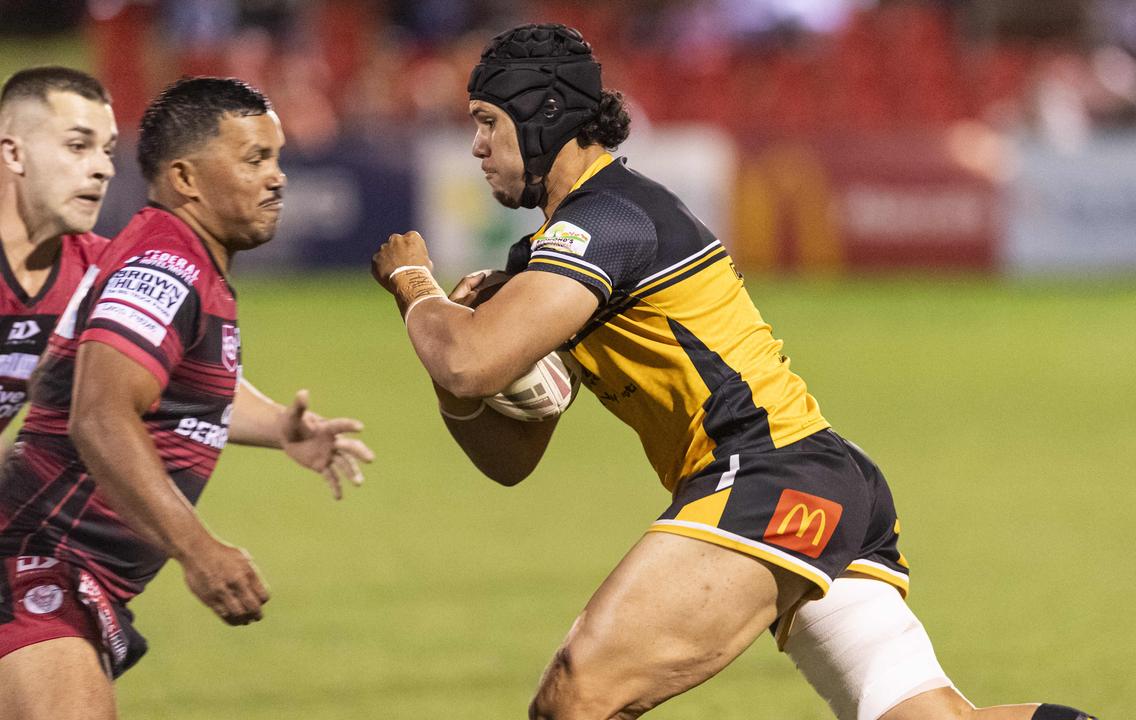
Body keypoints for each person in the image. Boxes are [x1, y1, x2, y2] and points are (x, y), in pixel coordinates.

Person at [372, 23, 1096, 720]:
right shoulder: (560, 252)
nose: (475, 145)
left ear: (543, 115)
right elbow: (509, 456)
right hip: (818, 480)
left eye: (487, 120)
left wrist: (416, 286)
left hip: (768, 476)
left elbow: (468, 362)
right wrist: (459, 362)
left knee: (578, 695)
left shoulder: (609, 219)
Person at [0, 76, 374, 720]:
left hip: (66, 575)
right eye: (256, 158)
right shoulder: (163, 268)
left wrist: (281, 428)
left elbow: (112, 388)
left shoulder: (152, 262)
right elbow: (98, 414)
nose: (279, 177)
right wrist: (199, 551)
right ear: (186, 178)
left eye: (277, 157)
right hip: (35, 566)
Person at [0, 67, 115, 445]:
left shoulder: (99, 270)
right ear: (14, 153)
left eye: (108, 150)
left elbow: (192, 381)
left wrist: (280, 427)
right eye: (78, 146)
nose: (104, 168)